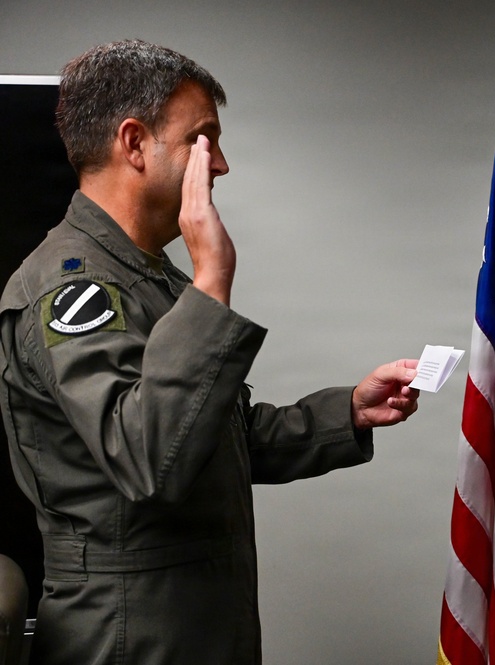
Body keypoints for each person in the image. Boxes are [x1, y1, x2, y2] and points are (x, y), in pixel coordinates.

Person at [0, 39, 421, 664]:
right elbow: (149, 459)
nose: (220, 164)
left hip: (193, 624)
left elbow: (209, 434)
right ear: (134, 143)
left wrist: (349, 413)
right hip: (129, 636)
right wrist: (213, 277)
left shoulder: (149, 277)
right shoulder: (71, 289)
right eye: (202, 139)